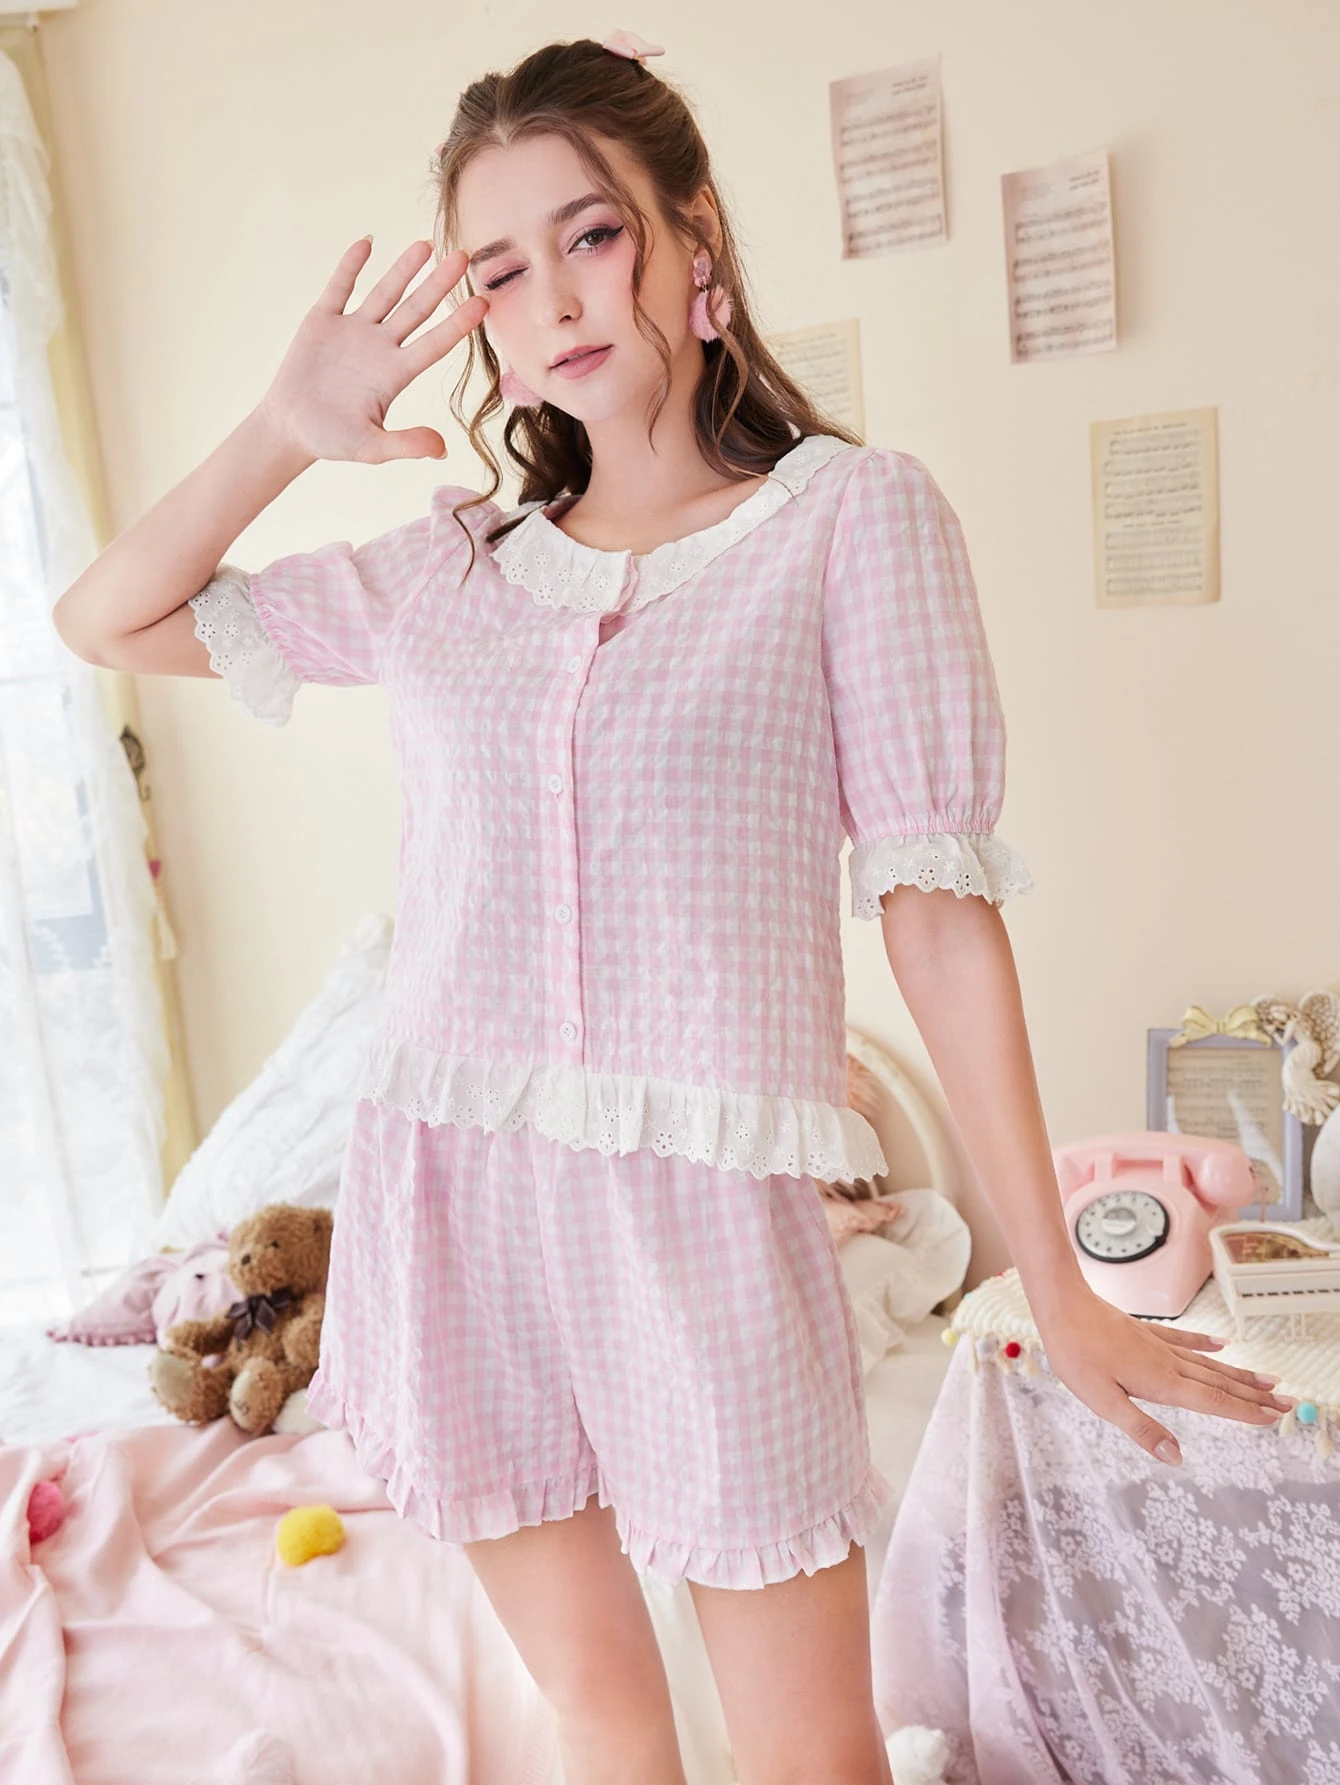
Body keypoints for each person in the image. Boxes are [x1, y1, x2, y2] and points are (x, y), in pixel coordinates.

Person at [52, 31, 1294, 1785]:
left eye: (591, 234)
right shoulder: (450, 568)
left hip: (708, 1232)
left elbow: (937, 913)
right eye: (499, 268)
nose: (554, 297)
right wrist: (279, 433)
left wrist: (1054, 1277)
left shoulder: (850, 524)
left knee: (811, 1754)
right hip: (457, 1215)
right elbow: (109, 617)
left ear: (693, 235)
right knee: (601, 1725)